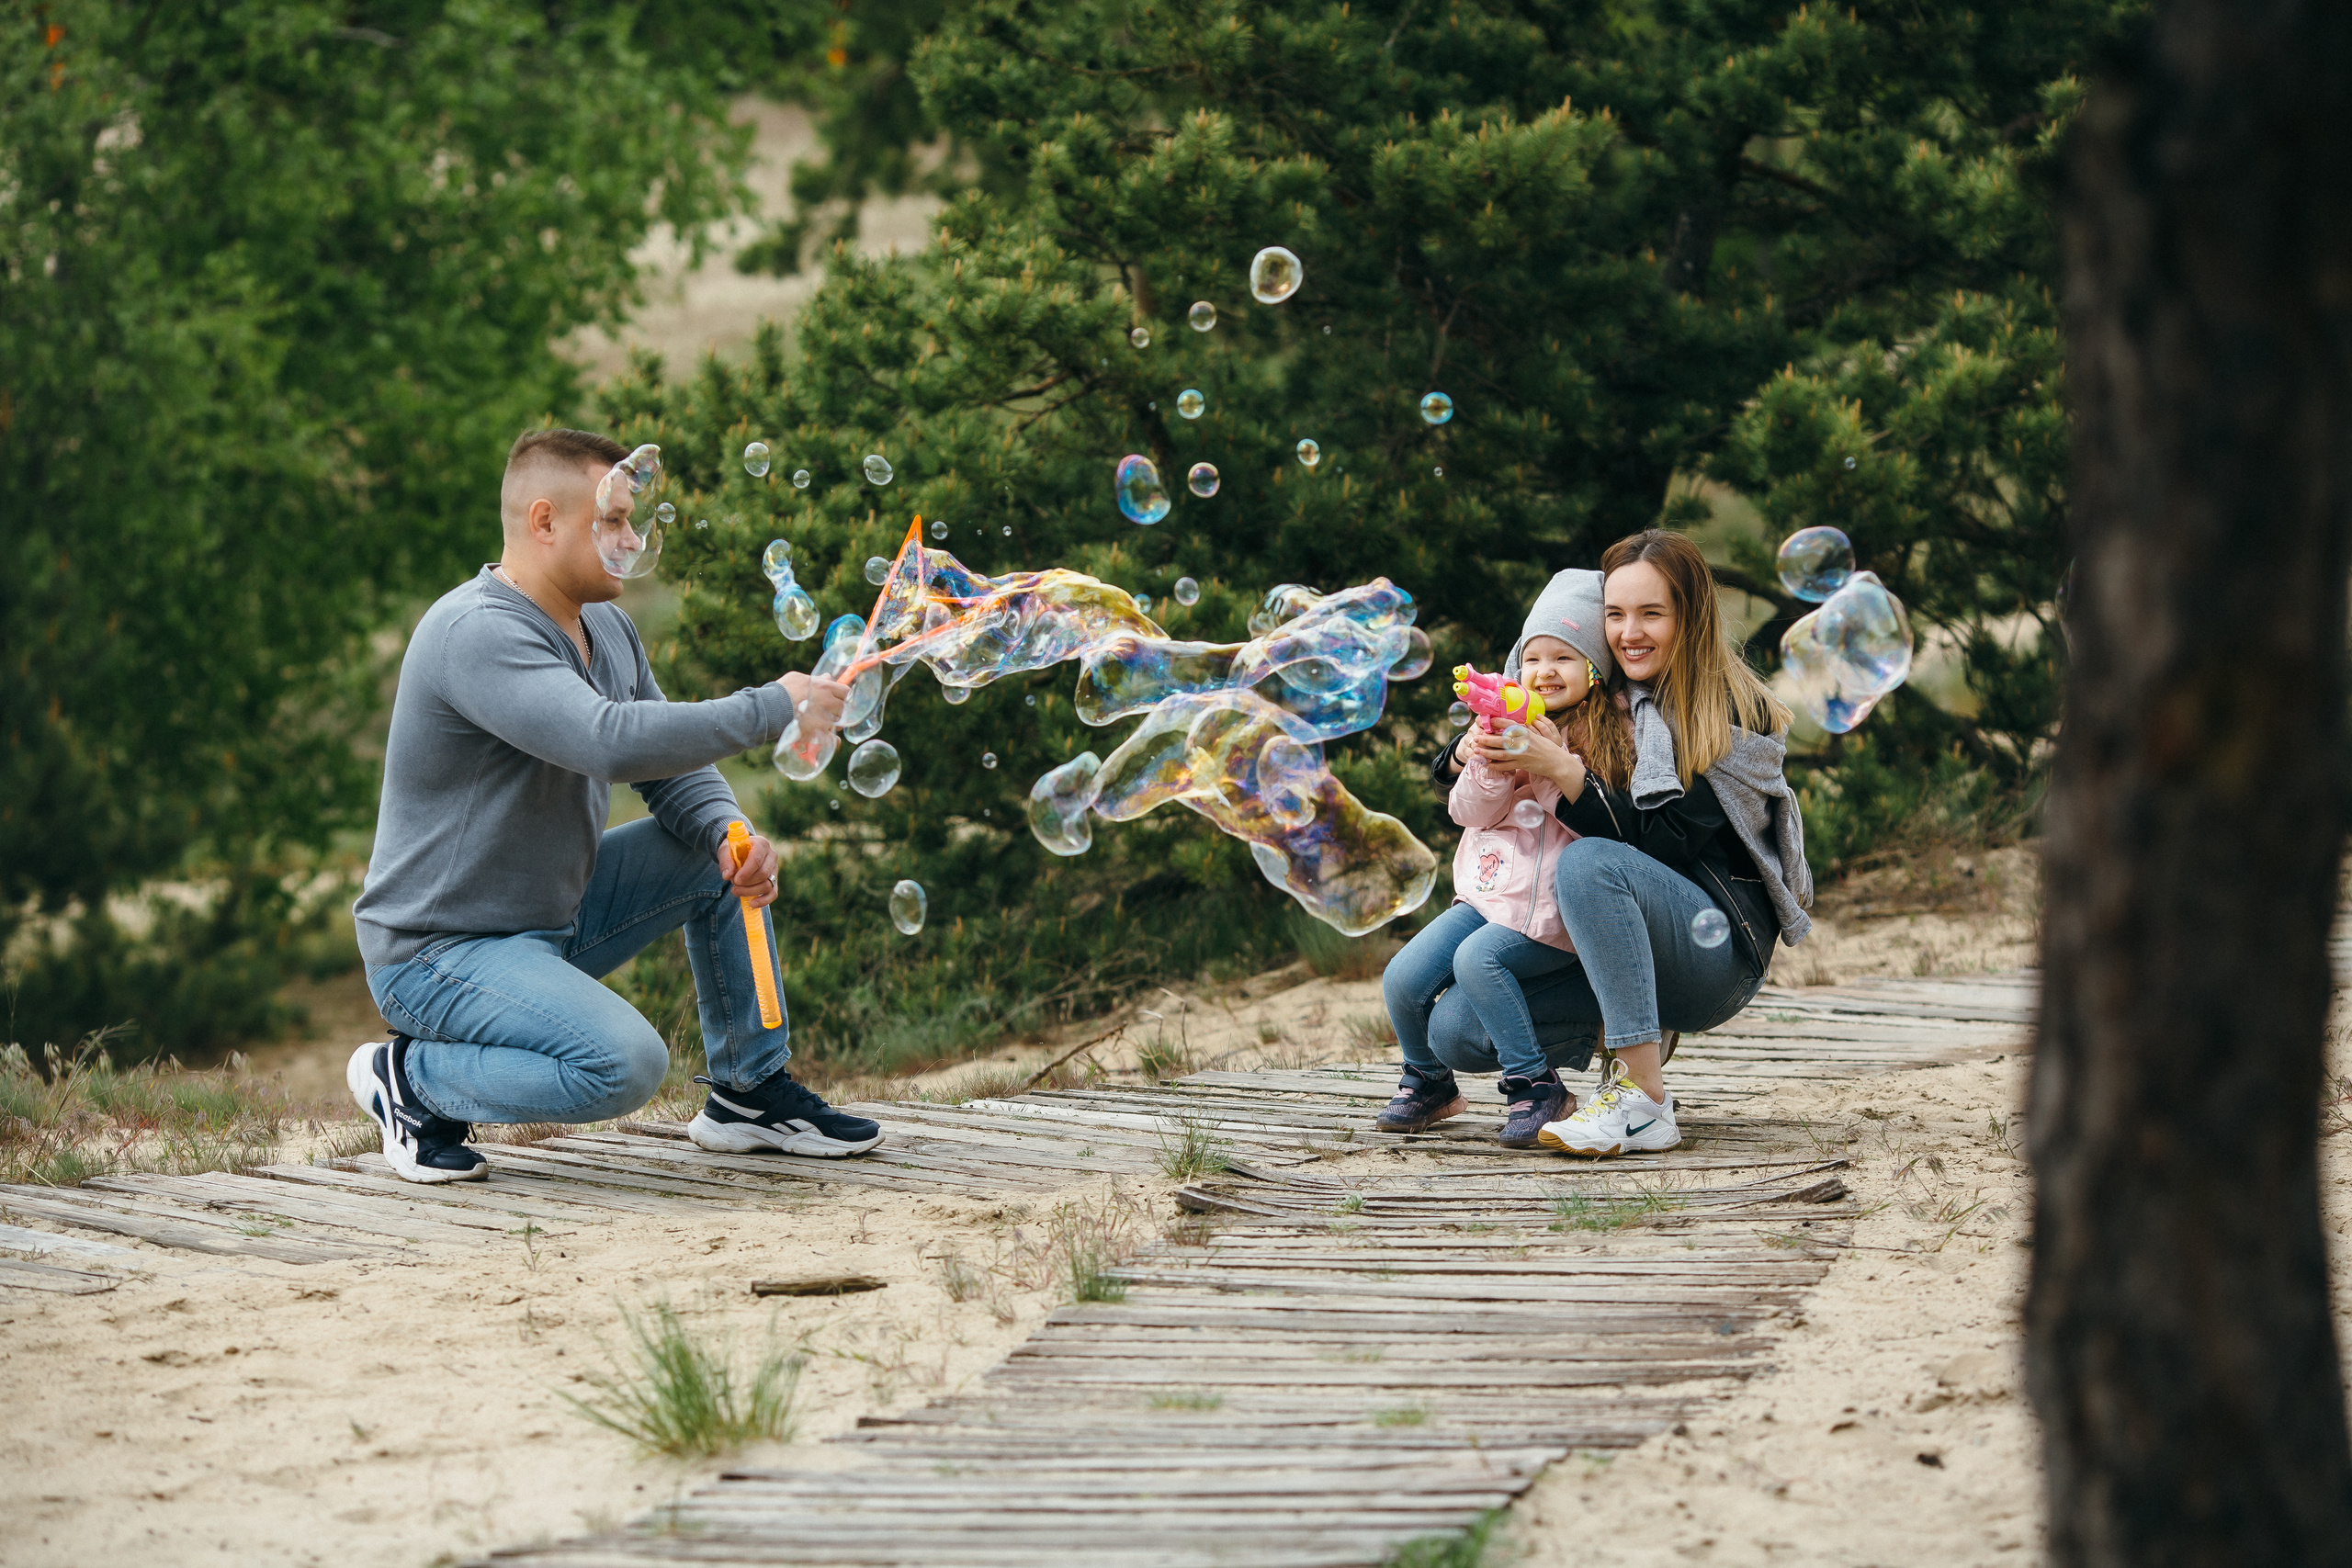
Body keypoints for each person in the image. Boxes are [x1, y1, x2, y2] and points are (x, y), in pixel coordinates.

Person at [346, 427, 880, 1184]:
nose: (631, 539)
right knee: (624, 1065)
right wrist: (773, 707)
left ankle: (749, 1092)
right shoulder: (476, 632)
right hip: (439, 955)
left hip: (550, 922)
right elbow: (608, 740)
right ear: (544, 522)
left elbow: (670, 771)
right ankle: (413, 1079)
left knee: (713, 847)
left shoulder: (608, 627)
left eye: (632, 521)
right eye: (614, 521)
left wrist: (733, 833)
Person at [1400, 530, 1815, 1157]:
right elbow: (1524, 689)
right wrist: (1463, 752)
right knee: (1454, 1030)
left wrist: (1566, 774)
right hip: (1616, 941)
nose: (1629, 632)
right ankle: (1620, 1035)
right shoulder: (1609, 691)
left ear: (1690, 616)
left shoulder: (1724, 711)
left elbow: (1663, 847)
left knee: (1589, 861)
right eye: (1615, 615)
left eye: (1652, 613)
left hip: (1711, 952)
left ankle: (1643, 1099)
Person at [1375, 570, 1634, 1147]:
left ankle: (1537, 1086)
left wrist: (1548, 757)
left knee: (1478, 962)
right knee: (1402, 977)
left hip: (1553, 908)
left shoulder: (1608, 733)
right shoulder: (1505, 725)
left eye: (1564, 659)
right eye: (1533, 658)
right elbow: (1469, 814)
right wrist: (1483, 761)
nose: (1544, 671)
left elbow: (1598, 819)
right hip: (1491, 894)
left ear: (1594, 671)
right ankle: (1429, 1081)